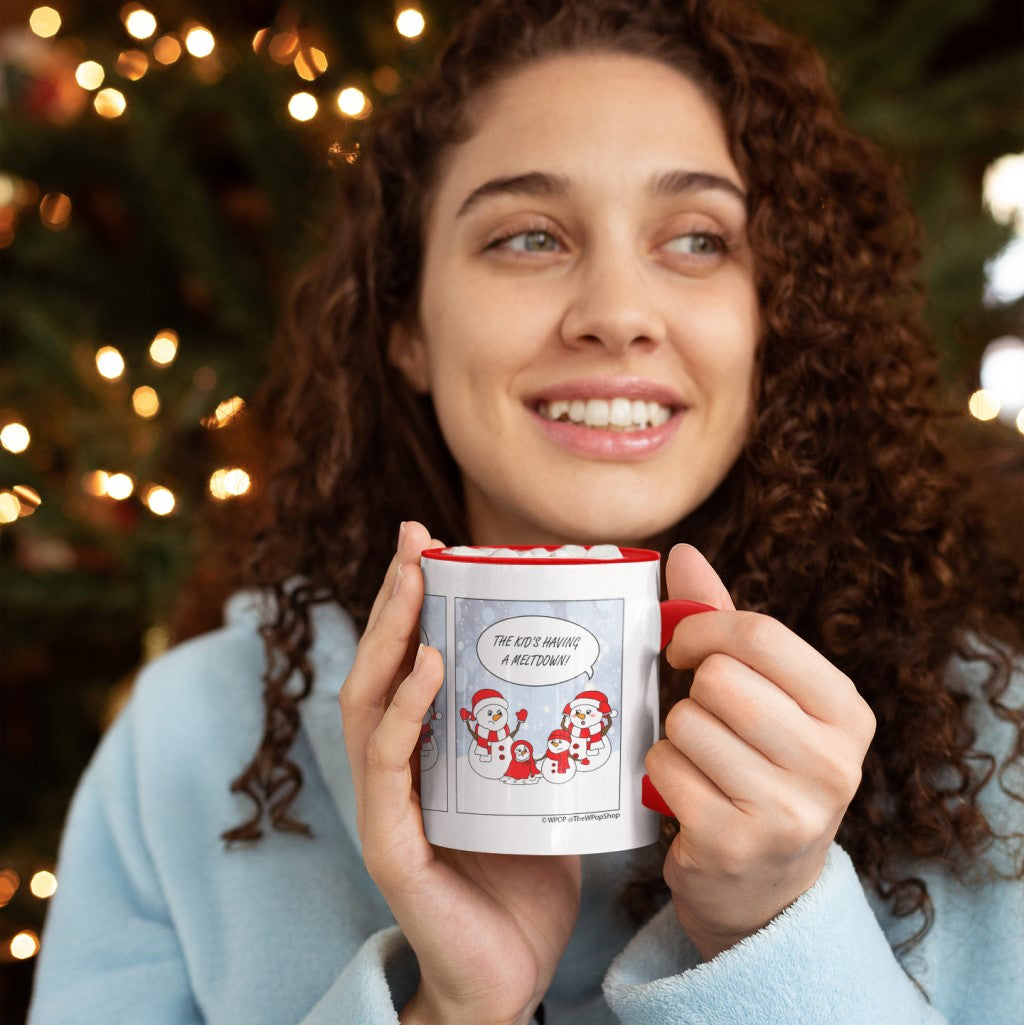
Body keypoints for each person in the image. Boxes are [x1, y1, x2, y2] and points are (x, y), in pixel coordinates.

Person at [28, 0, 1022, 1023]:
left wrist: (773, 931)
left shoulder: (985, 743)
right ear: (406, 320)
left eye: (695, 239)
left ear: (776, 319)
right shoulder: (194, 737)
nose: (616, 315)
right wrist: (454, 1006)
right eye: (529, 236)